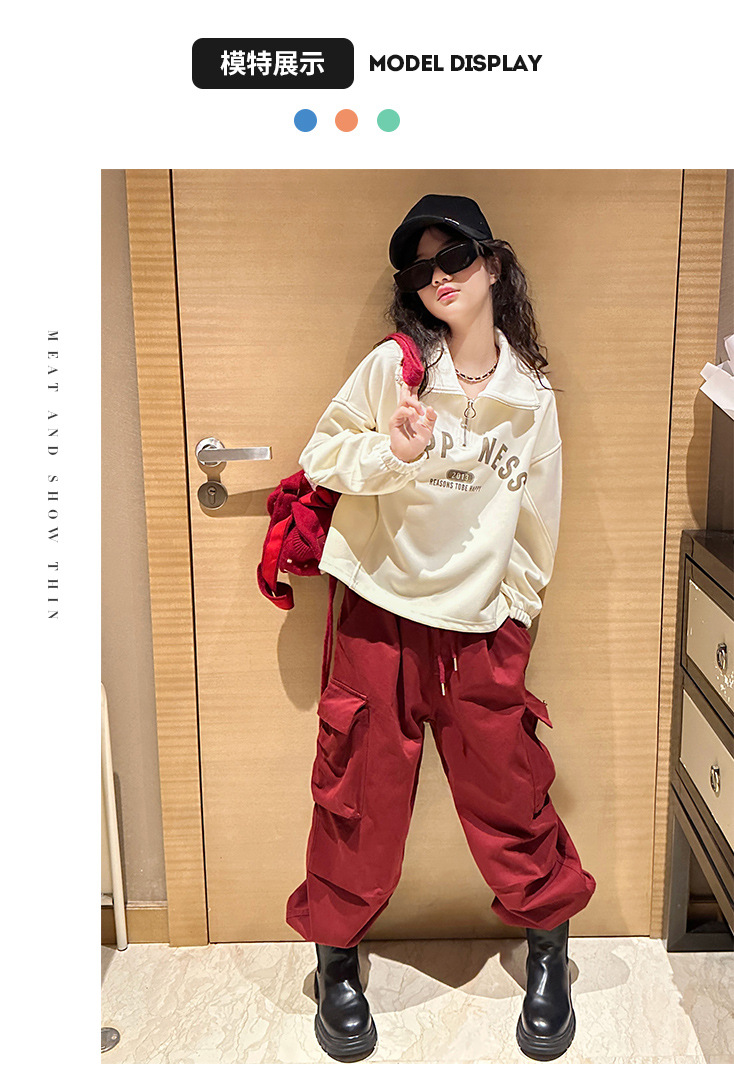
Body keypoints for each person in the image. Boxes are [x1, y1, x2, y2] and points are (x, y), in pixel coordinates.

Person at [285, 194, 596, 1063]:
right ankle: (336, 956)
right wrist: (396, 451)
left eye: (455, 257)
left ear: (493, 263)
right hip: (379, 617)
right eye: (422, 269)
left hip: (480, 632)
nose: (439, 278)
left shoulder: (530, 398)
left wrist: (514, 615)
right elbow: (321, 456)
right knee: (358, 796)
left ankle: (548, 949)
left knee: (511, 794)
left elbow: (538, 524)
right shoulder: (395, 370)